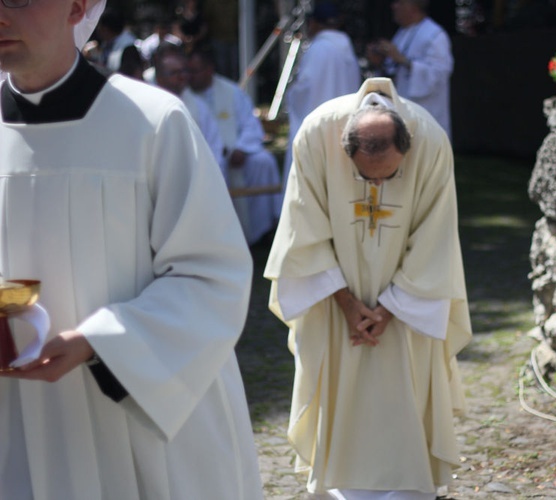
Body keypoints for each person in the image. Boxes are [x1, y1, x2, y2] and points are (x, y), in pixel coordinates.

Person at [0, 1, 263, 499]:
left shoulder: (153, 122)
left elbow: (213, 276)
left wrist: (100, 342)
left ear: (77, 6)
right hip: (18, 416)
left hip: (134, 414)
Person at [264, 77, 472, 499]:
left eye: (388, 176)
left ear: (406, 146)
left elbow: (437, 234)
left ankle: (409, 489)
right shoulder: (316, 134)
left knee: (405, 397)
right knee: (340, 394)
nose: (375, 188)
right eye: (365, 176)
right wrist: (344, 301)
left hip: (406, 310)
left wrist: (392, 307)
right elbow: (301, 225)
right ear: (347, 151)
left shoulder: (430, 138)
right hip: (335, 303)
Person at [187, 45, 282, 246]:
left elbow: (250, 124)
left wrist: (241, 148)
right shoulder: (185, 97)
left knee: (263, 162)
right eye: (189, 71)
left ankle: (264, 230)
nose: (191, 76)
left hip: (234, 155)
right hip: (204, 157)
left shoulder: (231, 92)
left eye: (195, 71)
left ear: (209, 69)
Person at [282, 2, 361, 188]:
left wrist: (292, 93)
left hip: (316, 126)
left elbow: (305, 89)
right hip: (344, 125)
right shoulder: (347, 48)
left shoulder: (318, 48)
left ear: (314, 24)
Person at [366, 0, 454, 138]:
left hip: (427, 109)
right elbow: (395, 71)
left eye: (399, 3)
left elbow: (440, 73)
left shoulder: (435, 35)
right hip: (403, 107)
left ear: (413, 7)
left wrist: (402, 60)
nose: (393, 6)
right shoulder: (402, 32)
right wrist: (380, 63)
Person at [153, 43, 224, 164]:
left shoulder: (199, 107)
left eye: (184, 71)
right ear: (159, 78)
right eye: (175, 73)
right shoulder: (150, 104)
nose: (182, 77)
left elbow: (214, 144)